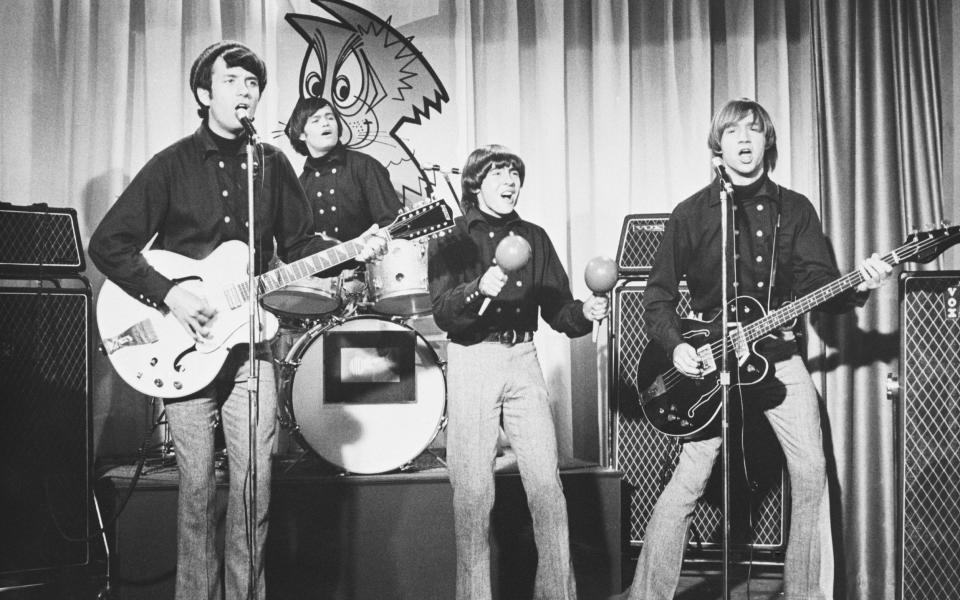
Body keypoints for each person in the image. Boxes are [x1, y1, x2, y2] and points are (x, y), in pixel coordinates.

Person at [89, 41, 385, 600]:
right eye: (232, 81)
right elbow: (110, 244)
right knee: (197, 491)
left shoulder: (270, 164)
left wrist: (352, 248)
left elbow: (296, 244)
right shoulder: (172, 164)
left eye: (253, 83)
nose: (245, 91)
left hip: (250, 346)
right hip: (184, 347)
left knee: (256, 491)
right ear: (204, 94)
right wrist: (170, 293)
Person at [618, 98, 892, 600]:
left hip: (778, 357)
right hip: (709, 367)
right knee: (687, 485)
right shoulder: (692, 213)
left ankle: (807, 593)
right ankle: (645, 596)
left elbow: (820, 285)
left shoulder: (796, 208)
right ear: (717, 146)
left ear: (768, 142)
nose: (744, 140)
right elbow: (656, 297)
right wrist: (677, 347)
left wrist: (860, 285)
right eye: (732, 132)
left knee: (811, 473)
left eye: (754, 130)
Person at [428, 144, 609, 600]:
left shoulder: (535, 237)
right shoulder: (451, 237)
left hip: (524, 358)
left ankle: (557, 594)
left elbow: (559, 313)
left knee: (547, 486)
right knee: (472, 496)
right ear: (475, 183)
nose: (509, 182)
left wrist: (586, 311)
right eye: (498, 174)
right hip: (473, 359)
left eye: (514, 175)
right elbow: (444, 314)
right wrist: (477, 289)